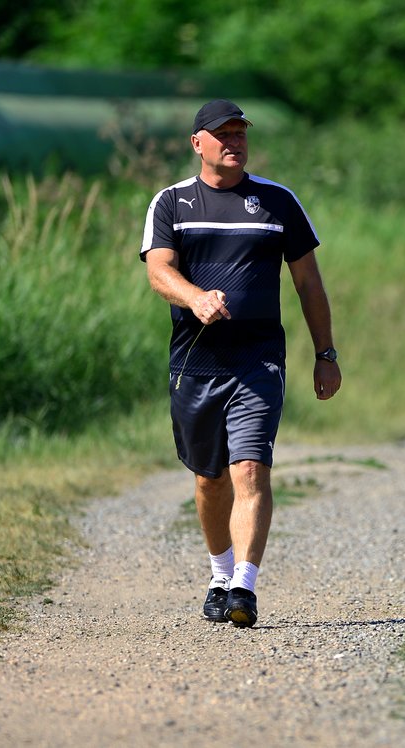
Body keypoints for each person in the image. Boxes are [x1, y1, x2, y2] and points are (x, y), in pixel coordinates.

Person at [140, 99, 342, 628]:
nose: (233, 142)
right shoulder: (172, 203)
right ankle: (218, 572)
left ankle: (244, 587)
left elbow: (308, 283)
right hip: (195, 362)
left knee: (249, 468)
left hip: (258, 361)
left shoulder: (277, 202)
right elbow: (158, 271)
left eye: (240, 134)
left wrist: (325, 353)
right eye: (222, 134)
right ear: (197, 143)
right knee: (210, 480)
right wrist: (195, 297)